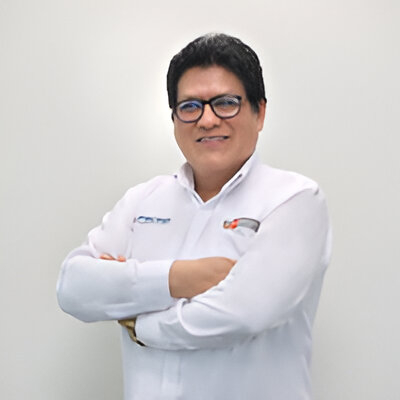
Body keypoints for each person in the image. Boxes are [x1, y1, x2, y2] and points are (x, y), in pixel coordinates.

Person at [57, 33, 331, 400]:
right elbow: (73, 287)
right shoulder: (143, 200)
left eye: (226, 103)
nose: (207, 120)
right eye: (190, 106)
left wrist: (140, 322)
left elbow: (244, 312)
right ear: (174, 118)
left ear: (260, 112)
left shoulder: (294, 199)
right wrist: (181, 278)